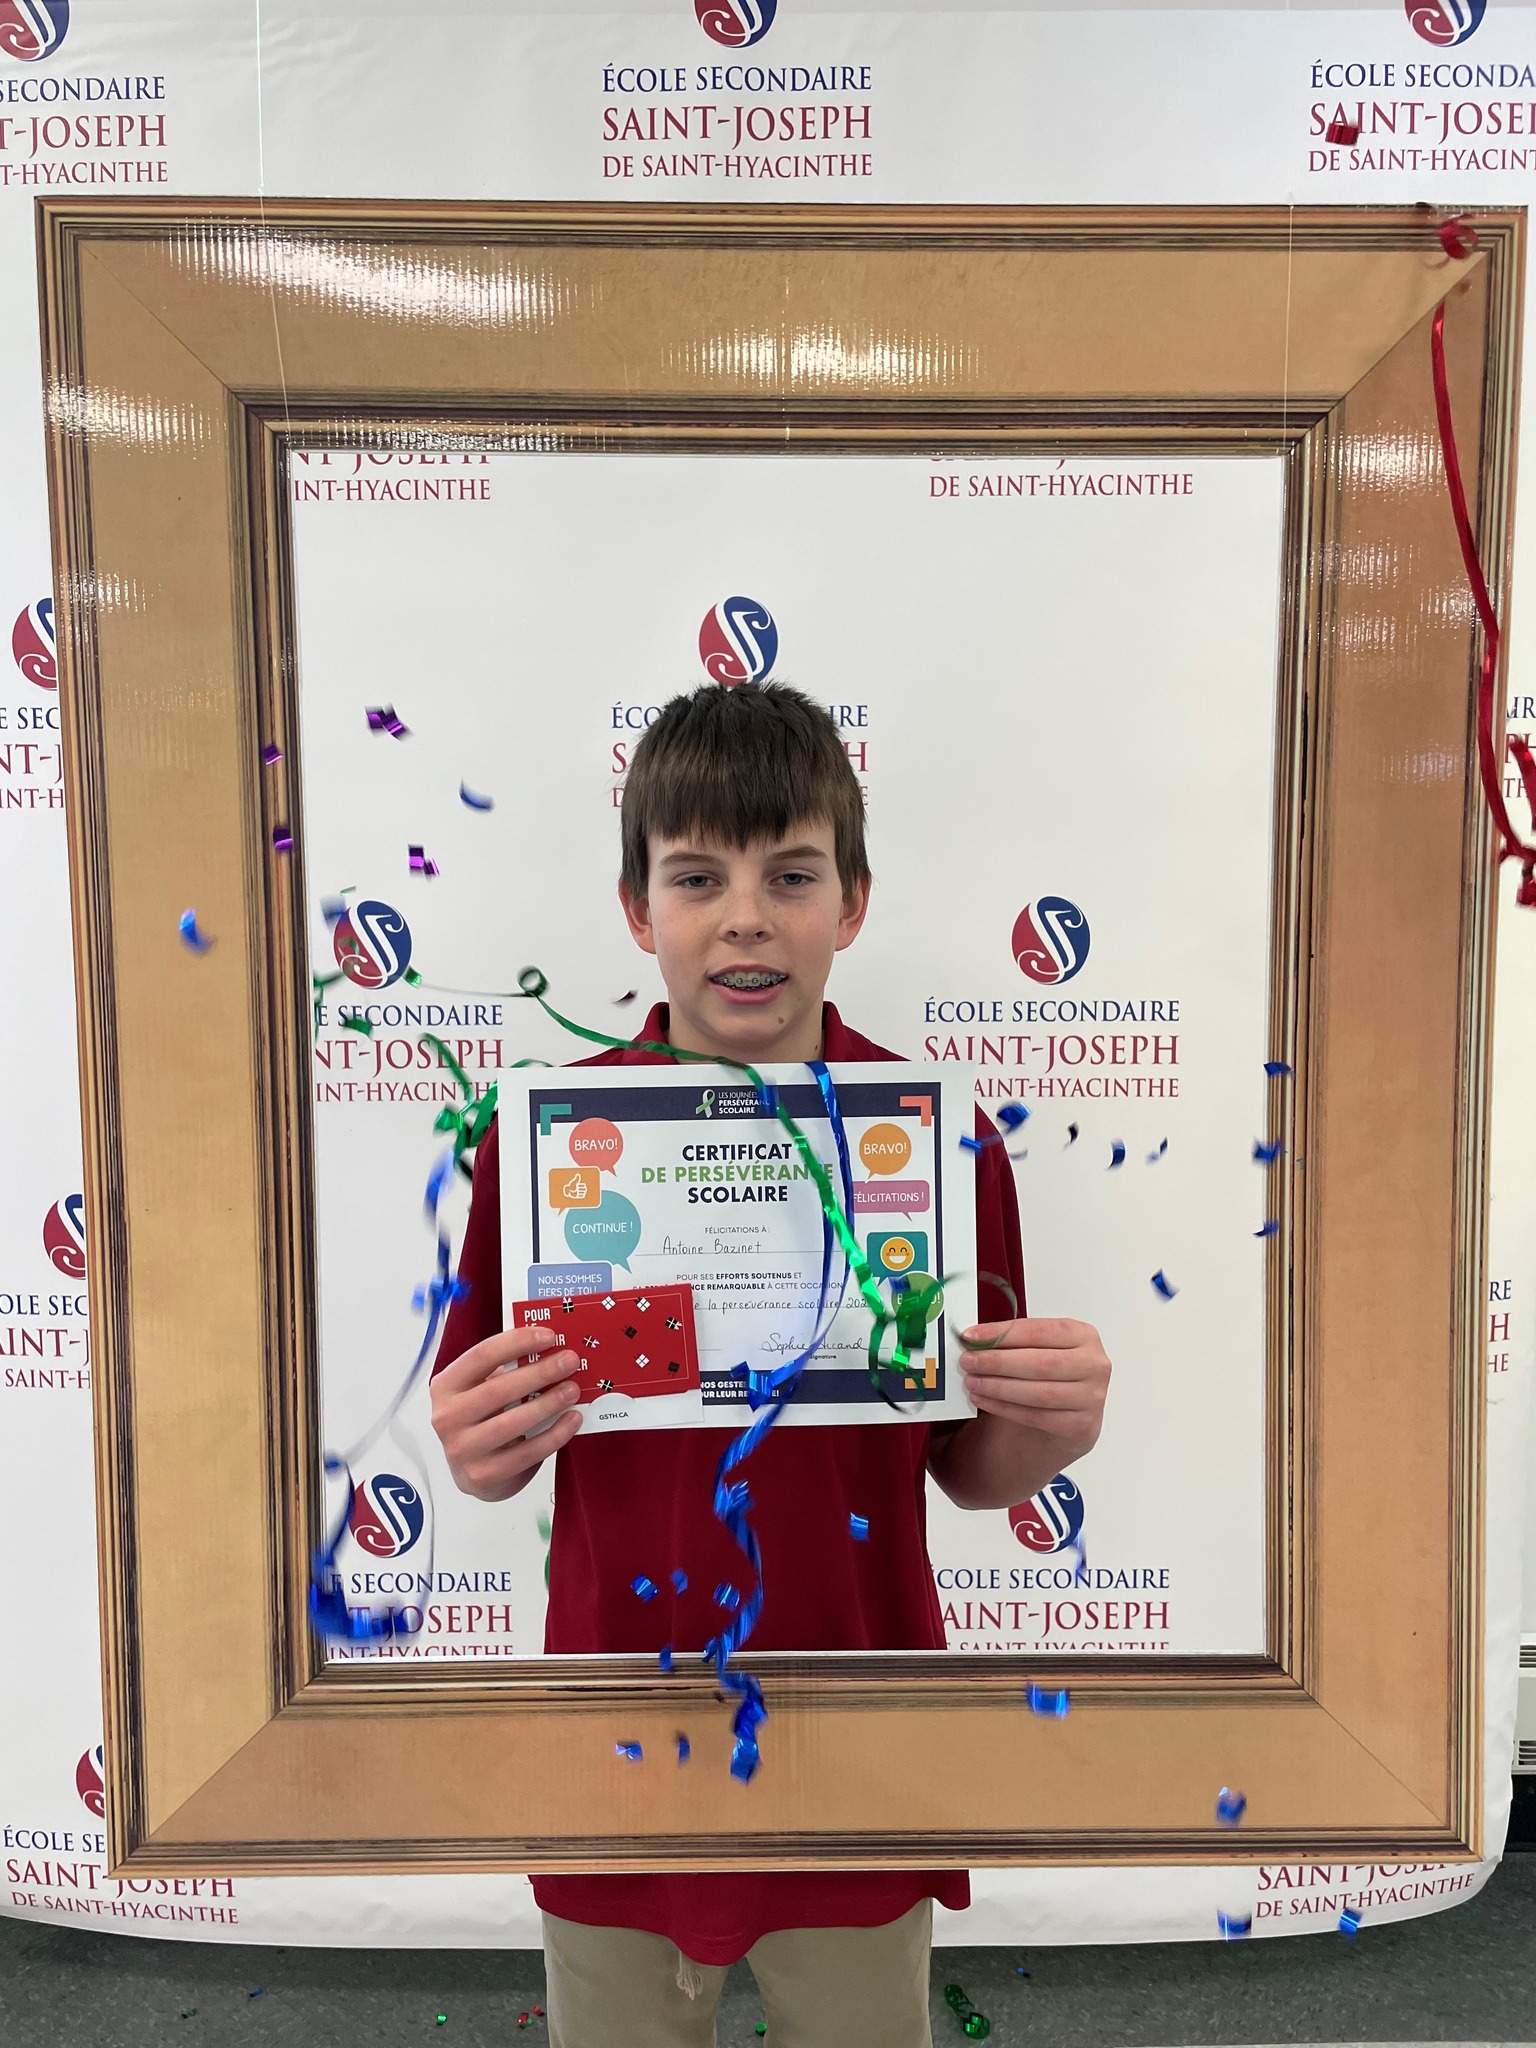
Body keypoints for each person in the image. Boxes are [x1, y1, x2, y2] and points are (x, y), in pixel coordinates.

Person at [431, 681, 1111, 2048]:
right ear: (639, 911)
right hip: (623, 1722)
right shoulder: (546, 1145)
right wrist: (478, 1447)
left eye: (791, 875)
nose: (746, 916)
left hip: (854, 1721)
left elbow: (969, 1469)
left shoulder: (936, 1144)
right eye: (698, 877)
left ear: (852, 904)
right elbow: (494, 1465)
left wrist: (1046, 1432)